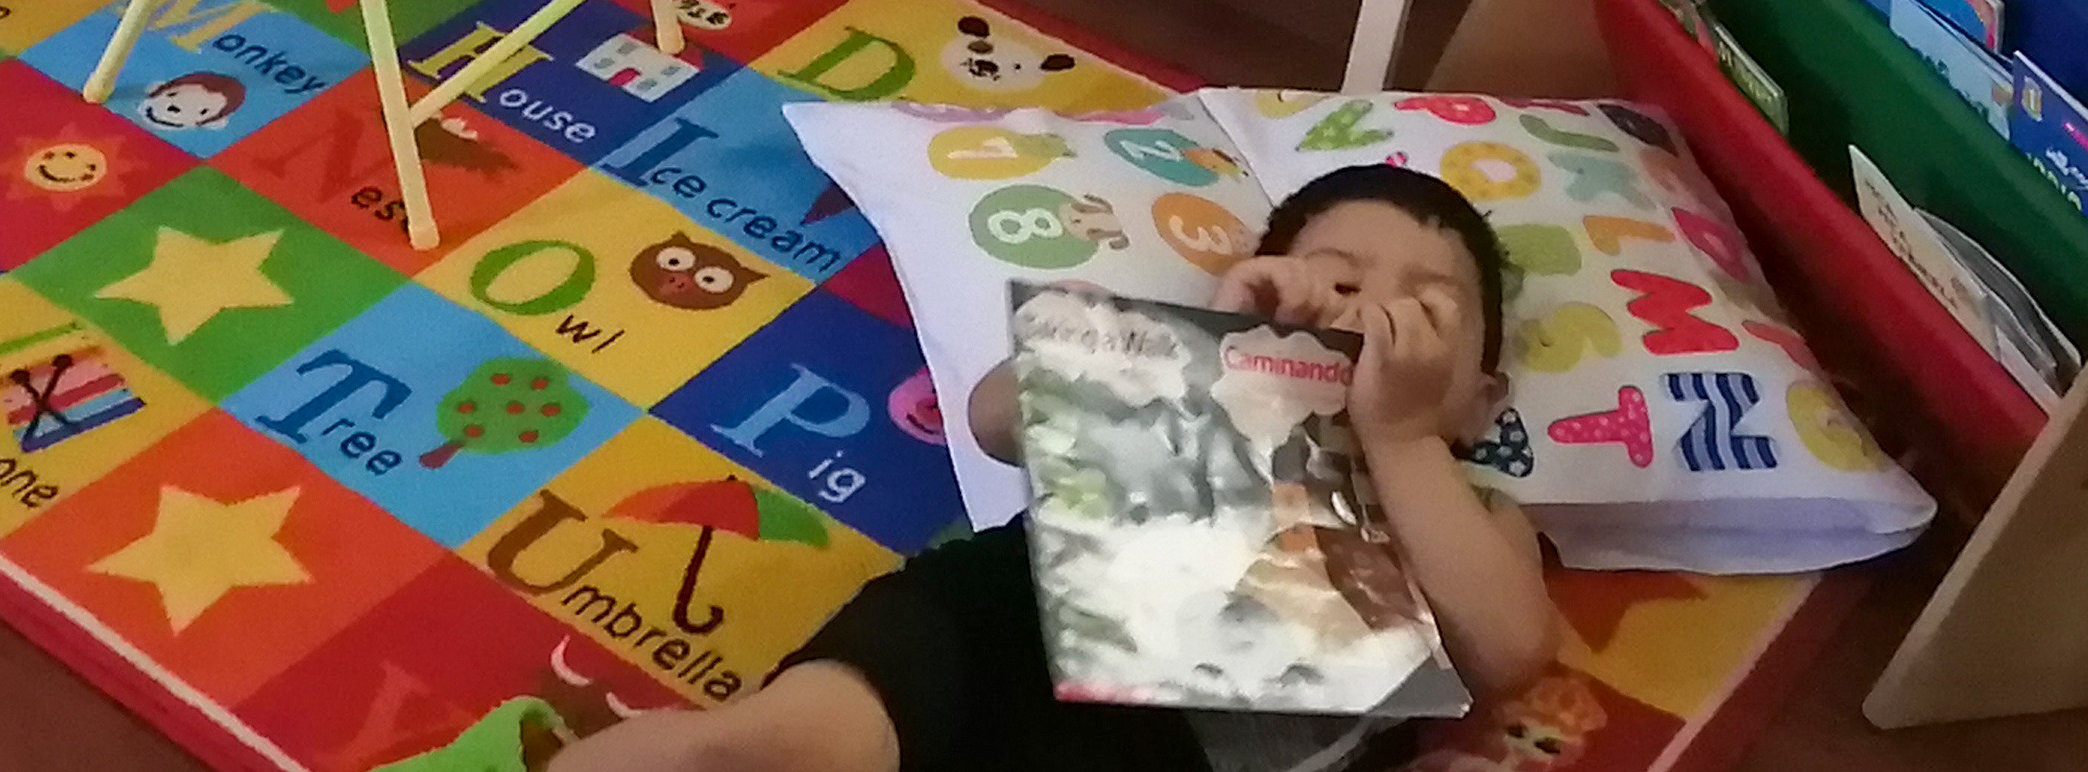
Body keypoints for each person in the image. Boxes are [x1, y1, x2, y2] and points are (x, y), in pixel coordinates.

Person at [547, 166, 1560, 772]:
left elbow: (1509, 651)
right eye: (1337, 279)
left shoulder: (1469, 505)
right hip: (999, 613)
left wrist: (1401, 436)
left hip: (1180, 751)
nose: (1369, 312)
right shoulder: (1193, 374)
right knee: (803, 742)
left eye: (1429, 310)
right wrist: (1203, 346)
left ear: (1481, 399)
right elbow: (994, 416)